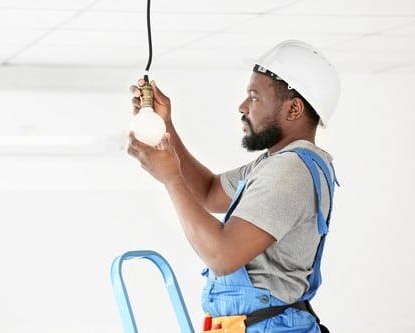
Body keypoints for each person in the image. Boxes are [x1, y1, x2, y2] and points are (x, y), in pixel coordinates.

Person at [127, 39, 340, 333]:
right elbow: (209, 192)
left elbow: (222, 256)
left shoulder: (289, 170)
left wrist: (171, 178)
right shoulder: (276, 163)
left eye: (254, 97)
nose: (242, 107)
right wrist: (167, 128)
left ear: (293, 109)